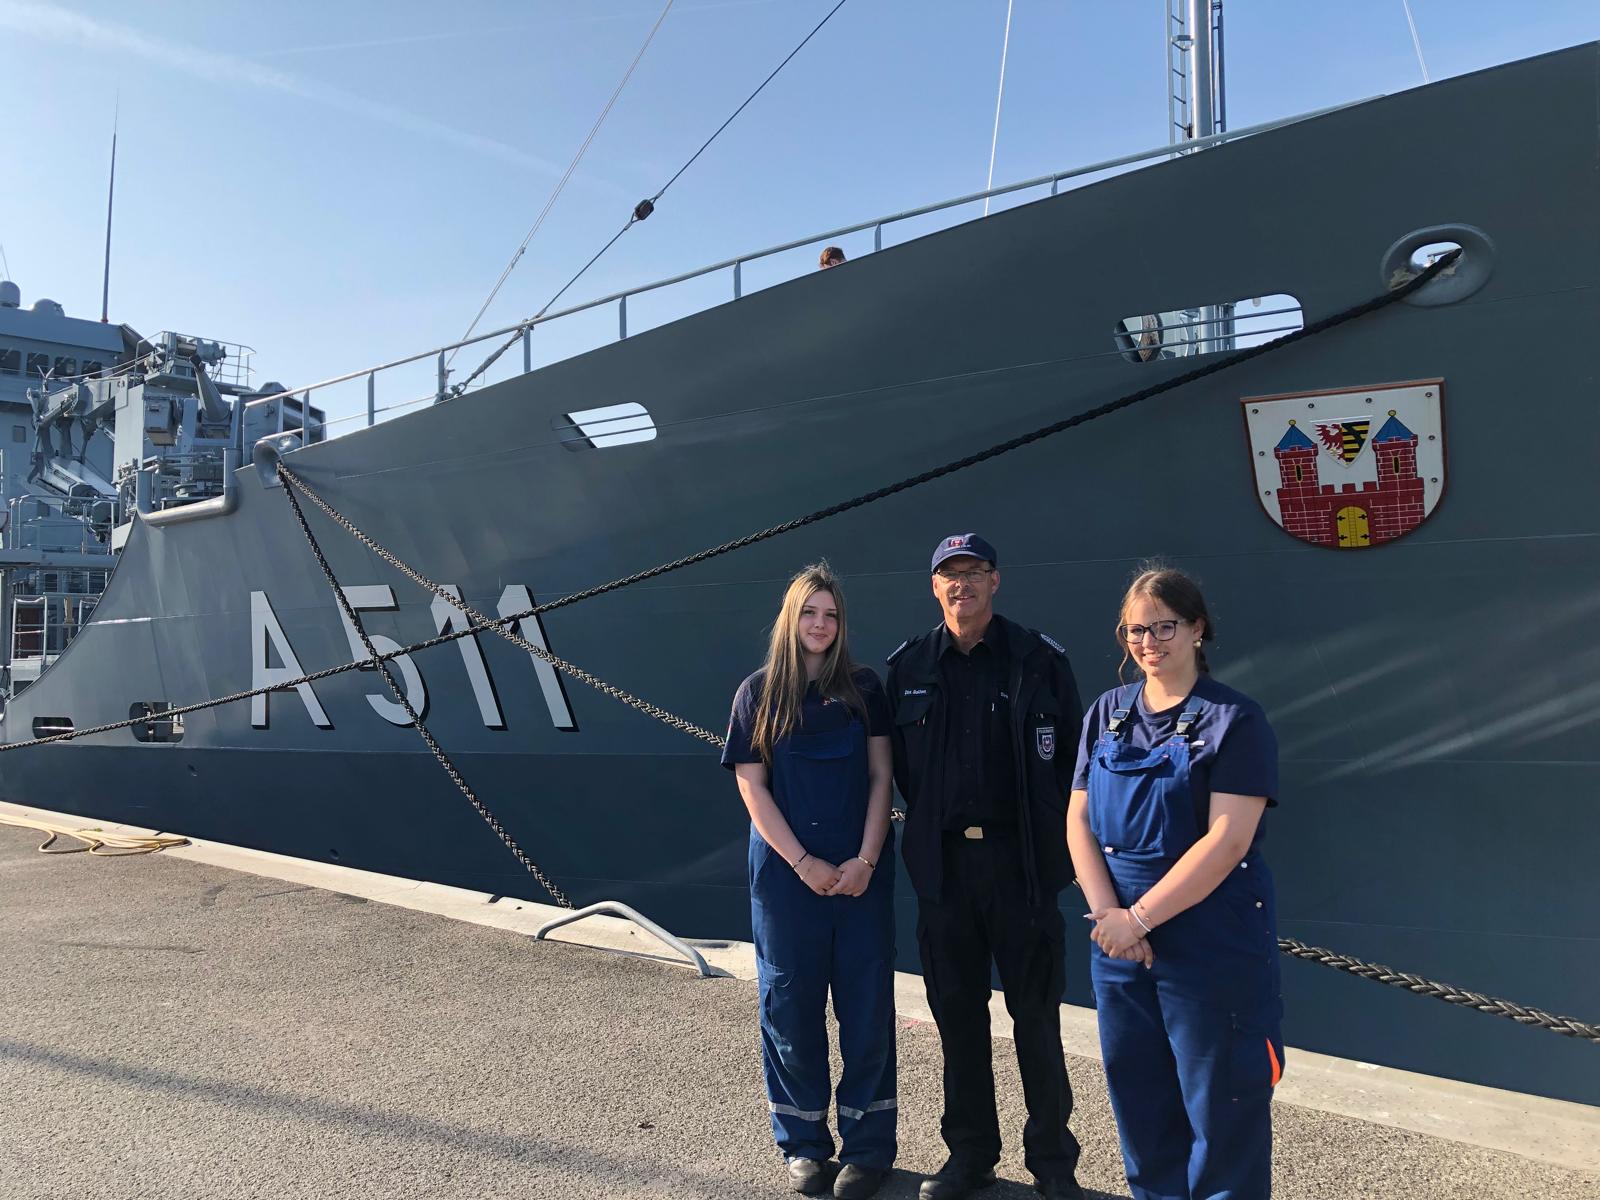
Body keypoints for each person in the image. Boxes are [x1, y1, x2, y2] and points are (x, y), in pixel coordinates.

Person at [1067, 566, 1284, 1200]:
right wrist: (1109, 917)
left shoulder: (1234, 721)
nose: (1149, 642)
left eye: (1164, 626)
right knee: (1140, 1102)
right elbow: (1077, 817)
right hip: (1118, 948)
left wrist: (1138, 920)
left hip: (1209, 944)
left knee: (1222, 1108)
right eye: (1136, 629)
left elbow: (1228, 841)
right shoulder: (1107, 713)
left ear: (1197, 629)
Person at [887, 534, 1086, 1200]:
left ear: (996, 581)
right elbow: (900, 771)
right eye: (949, 574)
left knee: (1037, 1019)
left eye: (974, 573)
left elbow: (1071, 769)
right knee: (958, 1019)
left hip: (1021, 866)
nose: (962, 585)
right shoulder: (909, 665)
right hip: (945, 869)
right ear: (934, 586)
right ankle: (970, 1155)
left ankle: (1053, 1165)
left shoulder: (1038, 660)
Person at [724, 562, 898, 1199]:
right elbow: (753, 786)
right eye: (810, 612)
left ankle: (870, 1146)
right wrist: (804, 862)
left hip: (859, 878)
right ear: (790, 618)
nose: (820, 625)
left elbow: (882, 778)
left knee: (866, 1009)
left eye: (831, 615)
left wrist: (866, 861)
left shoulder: (865, 688)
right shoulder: (757, 693)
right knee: (789, 1008)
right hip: (786, 878)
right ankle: (803, 1143)